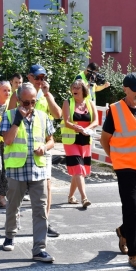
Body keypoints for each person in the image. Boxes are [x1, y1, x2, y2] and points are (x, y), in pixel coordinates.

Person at [100, 73, 136, 270]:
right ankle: (135, 253)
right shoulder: (115, 110)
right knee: (131, 207)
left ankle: (124, 230)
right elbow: (105, 139)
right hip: (125, 166)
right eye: (135, 90)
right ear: (125, 89)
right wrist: (115, 158)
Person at [0, 82, 55, 262]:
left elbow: (51, 140)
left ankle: (39, 248)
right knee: (13, 205)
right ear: (17, 100)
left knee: (40, 210)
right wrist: (17, 121)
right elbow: (7, 140)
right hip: (17, 170)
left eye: (32, 102)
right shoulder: (8, 115)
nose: (30, 106)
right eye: (26, 103)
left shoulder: (42, 116)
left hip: (38, 169)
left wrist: (44, 148)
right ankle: (10, 235)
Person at [9, 64, 62, 237]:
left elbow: (58, 114)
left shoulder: (46, 95)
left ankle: (44, 222)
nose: (41, 81)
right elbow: (10, 113)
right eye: (38, 77)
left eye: (43, 78)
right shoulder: (20, 93)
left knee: (46, 185)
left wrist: (47, 94)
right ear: (30, 77)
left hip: (41, 147)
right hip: (21, 148)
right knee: (17, 194)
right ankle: (13, 225)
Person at [61, 79, 98, 208]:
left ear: (83, 90)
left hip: (85, 140)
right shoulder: (67, 103)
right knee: (78, 168)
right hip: (71, 141)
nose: (75, 89)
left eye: (78, 87)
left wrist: (88, 129)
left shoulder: (90, 103)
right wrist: (78, 128)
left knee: (79, 171)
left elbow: (96, 121)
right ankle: (84, 198)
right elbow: (66, 121)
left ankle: (71, 196)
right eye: (73, 87)